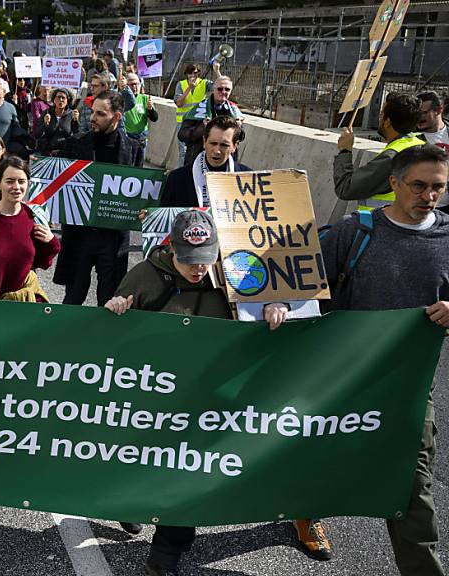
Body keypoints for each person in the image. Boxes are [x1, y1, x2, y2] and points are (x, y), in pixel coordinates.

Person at [105, 210, 291, 576]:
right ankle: (127, 502)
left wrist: (273, 306)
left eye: (205, 260)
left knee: (186, 475)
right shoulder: (144, 275)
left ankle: (165, 556)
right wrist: (115, 310)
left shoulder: (235, 273)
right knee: (138, 461)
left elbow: (267, 302)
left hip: (205, 400)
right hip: (151, 398)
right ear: (171, 247)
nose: (198, 269)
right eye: (190, 261)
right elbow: (111, 339)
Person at [320, 144, 449, 576]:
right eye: (419, 186)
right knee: (305, 459)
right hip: (339, 383)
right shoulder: (355, 231)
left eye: (438, 188)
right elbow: (297, 279)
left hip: (408, 391)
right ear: (393, 183)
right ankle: (303, 515)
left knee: (412, 487)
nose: (428, 196)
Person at [54, 90, 137, 307]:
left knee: (109, 302)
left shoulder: (133, 150)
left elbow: (137, 194)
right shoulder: (75, 144)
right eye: (92, 112)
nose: (92, 118)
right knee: (73, 298)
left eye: (100, 114)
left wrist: (142, 208)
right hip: (80, 235)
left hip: (112, 239)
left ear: (116, 117)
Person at [0, 156, 60, 301]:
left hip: (25, 300)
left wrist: (51, 242)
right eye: (10, 181)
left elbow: (42, 262)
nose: (16, 187)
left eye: (21, 181)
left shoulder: (34, 216)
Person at [334, 92, 425, 212]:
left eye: (381, 114)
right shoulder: (421, 146)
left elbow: (345, 188)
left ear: (387, 122)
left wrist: (345, 150)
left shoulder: (392, 157)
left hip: (384, 225)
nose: (379, 118)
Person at [158, 116, 251, 208]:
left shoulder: (249, 180)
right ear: (204, 141)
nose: (217, 151)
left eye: (224, 145)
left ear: (234, 146)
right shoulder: (177, 178)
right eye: (213, 143)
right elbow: (165, 217)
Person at [177, 74, 242, 166]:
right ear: (214, 89)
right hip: (198, 160)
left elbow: (240, 137)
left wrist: (238, 127)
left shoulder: (234, 111)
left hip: (226, 162)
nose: (223, 92)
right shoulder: (199, 109)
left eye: (227, 89)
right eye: (220, 89)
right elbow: (182, 135)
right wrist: (201, 128)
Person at [172, 64, 213, 168]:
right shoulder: (181, 84)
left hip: (199, 122)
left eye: (195, 73)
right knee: (183, 151)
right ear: (186, 74)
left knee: (198, 149)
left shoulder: (204, 83)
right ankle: (181, 173)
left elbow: (219, 87)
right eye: (190, 73)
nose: (193, 75)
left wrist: (217, 71)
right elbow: (179, 103)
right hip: (183, 122)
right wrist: (189, 89)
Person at [123, 73, 158, 168]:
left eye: (137, 84)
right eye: (132, 84)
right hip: (128, 136)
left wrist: (151, 110)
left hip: (141, 137)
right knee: (128, 164)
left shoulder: (145, 98)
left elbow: (154, 118)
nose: (135, 87)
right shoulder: (123, 98)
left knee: (139, 165)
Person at [35, 89, 79, 156]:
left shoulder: (72, 114)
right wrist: (45, 124)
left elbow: (77, 134)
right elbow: (37, 134)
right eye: (58, 97)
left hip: (65, 153)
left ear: (68, 101)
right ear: (54, 99)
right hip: (47, 153)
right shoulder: (46, 113)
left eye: (63, 98)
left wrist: (76, 121)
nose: (61, 100)